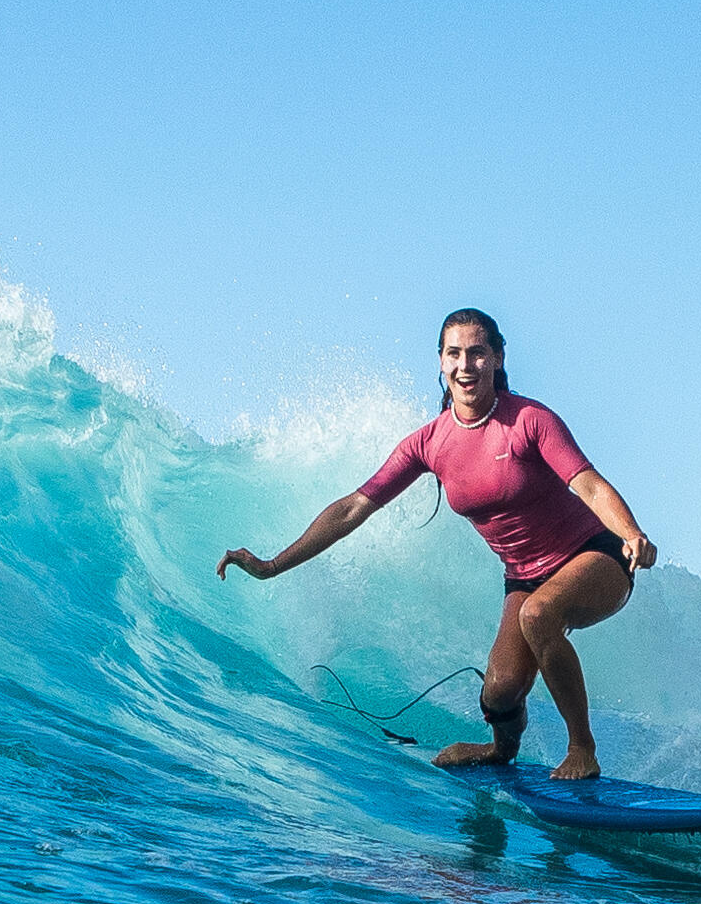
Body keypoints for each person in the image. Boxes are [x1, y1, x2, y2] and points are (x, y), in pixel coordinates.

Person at [219, 308, 658, 781]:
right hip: (524, 577)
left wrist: (631, 532)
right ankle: (499, 750)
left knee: (539, 615)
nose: (465, 365)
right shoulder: (430, 443)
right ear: (441, 363)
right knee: (499, 694)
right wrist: (271, 565)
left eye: (477, 353)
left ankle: (582, 750)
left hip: (597, 554)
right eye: (454, 354)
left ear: (497, 358)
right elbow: (354, 508)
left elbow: (587, 485)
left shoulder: (529, 420)